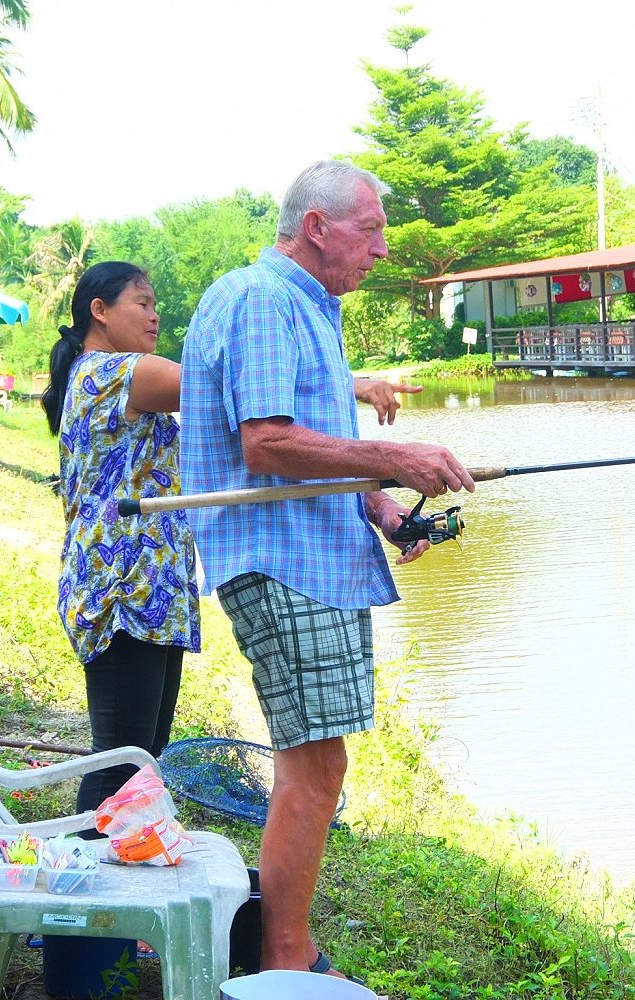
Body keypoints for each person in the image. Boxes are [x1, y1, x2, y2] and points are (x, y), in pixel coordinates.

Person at [180, 160, 475, 982]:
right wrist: (395, 454)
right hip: (281, 561)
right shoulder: (265, 299)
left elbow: (309, 448)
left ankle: (287, 953)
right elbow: (266, 443)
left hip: (312, 552)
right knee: (314, 764)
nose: (381, 250)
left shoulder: (307, 307)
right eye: (371, 229)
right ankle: (286, 964)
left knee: (317, 760)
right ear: (318, 226)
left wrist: (381, 504)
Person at [40, 262, 201, 823]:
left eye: (156, 303)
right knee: (120, 764)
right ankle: (85, 888)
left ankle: (119, 879)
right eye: (142, 302)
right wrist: (347, 385)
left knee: (141, 761)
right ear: (99, 311)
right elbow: (215, 388)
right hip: (123, 590)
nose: (155, 314)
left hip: (152, 590)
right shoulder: (110, 372)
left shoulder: (118, 375)